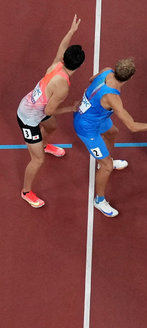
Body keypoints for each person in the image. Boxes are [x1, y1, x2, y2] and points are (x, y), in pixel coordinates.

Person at [73, 58, 147, 217]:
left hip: (97, 117)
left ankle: (103, 161)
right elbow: (132, 126)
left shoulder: (106, 71)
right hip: (87, 128)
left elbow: (91, 80)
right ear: (130, 78)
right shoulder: (113, 98)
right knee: (107, 167)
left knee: (112, 133)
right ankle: (99, 200)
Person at [17, 15, 85, 208]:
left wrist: (71, 32)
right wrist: (71, 108)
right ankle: (26, 191)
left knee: (52, 125)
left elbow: (61, 49)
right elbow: (50, 109)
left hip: (34, 105)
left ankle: (45, 144)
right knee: (37, 160)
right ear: (79, 66)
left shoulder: (57, 65)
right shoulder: (63, 86)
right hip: (28, 118)